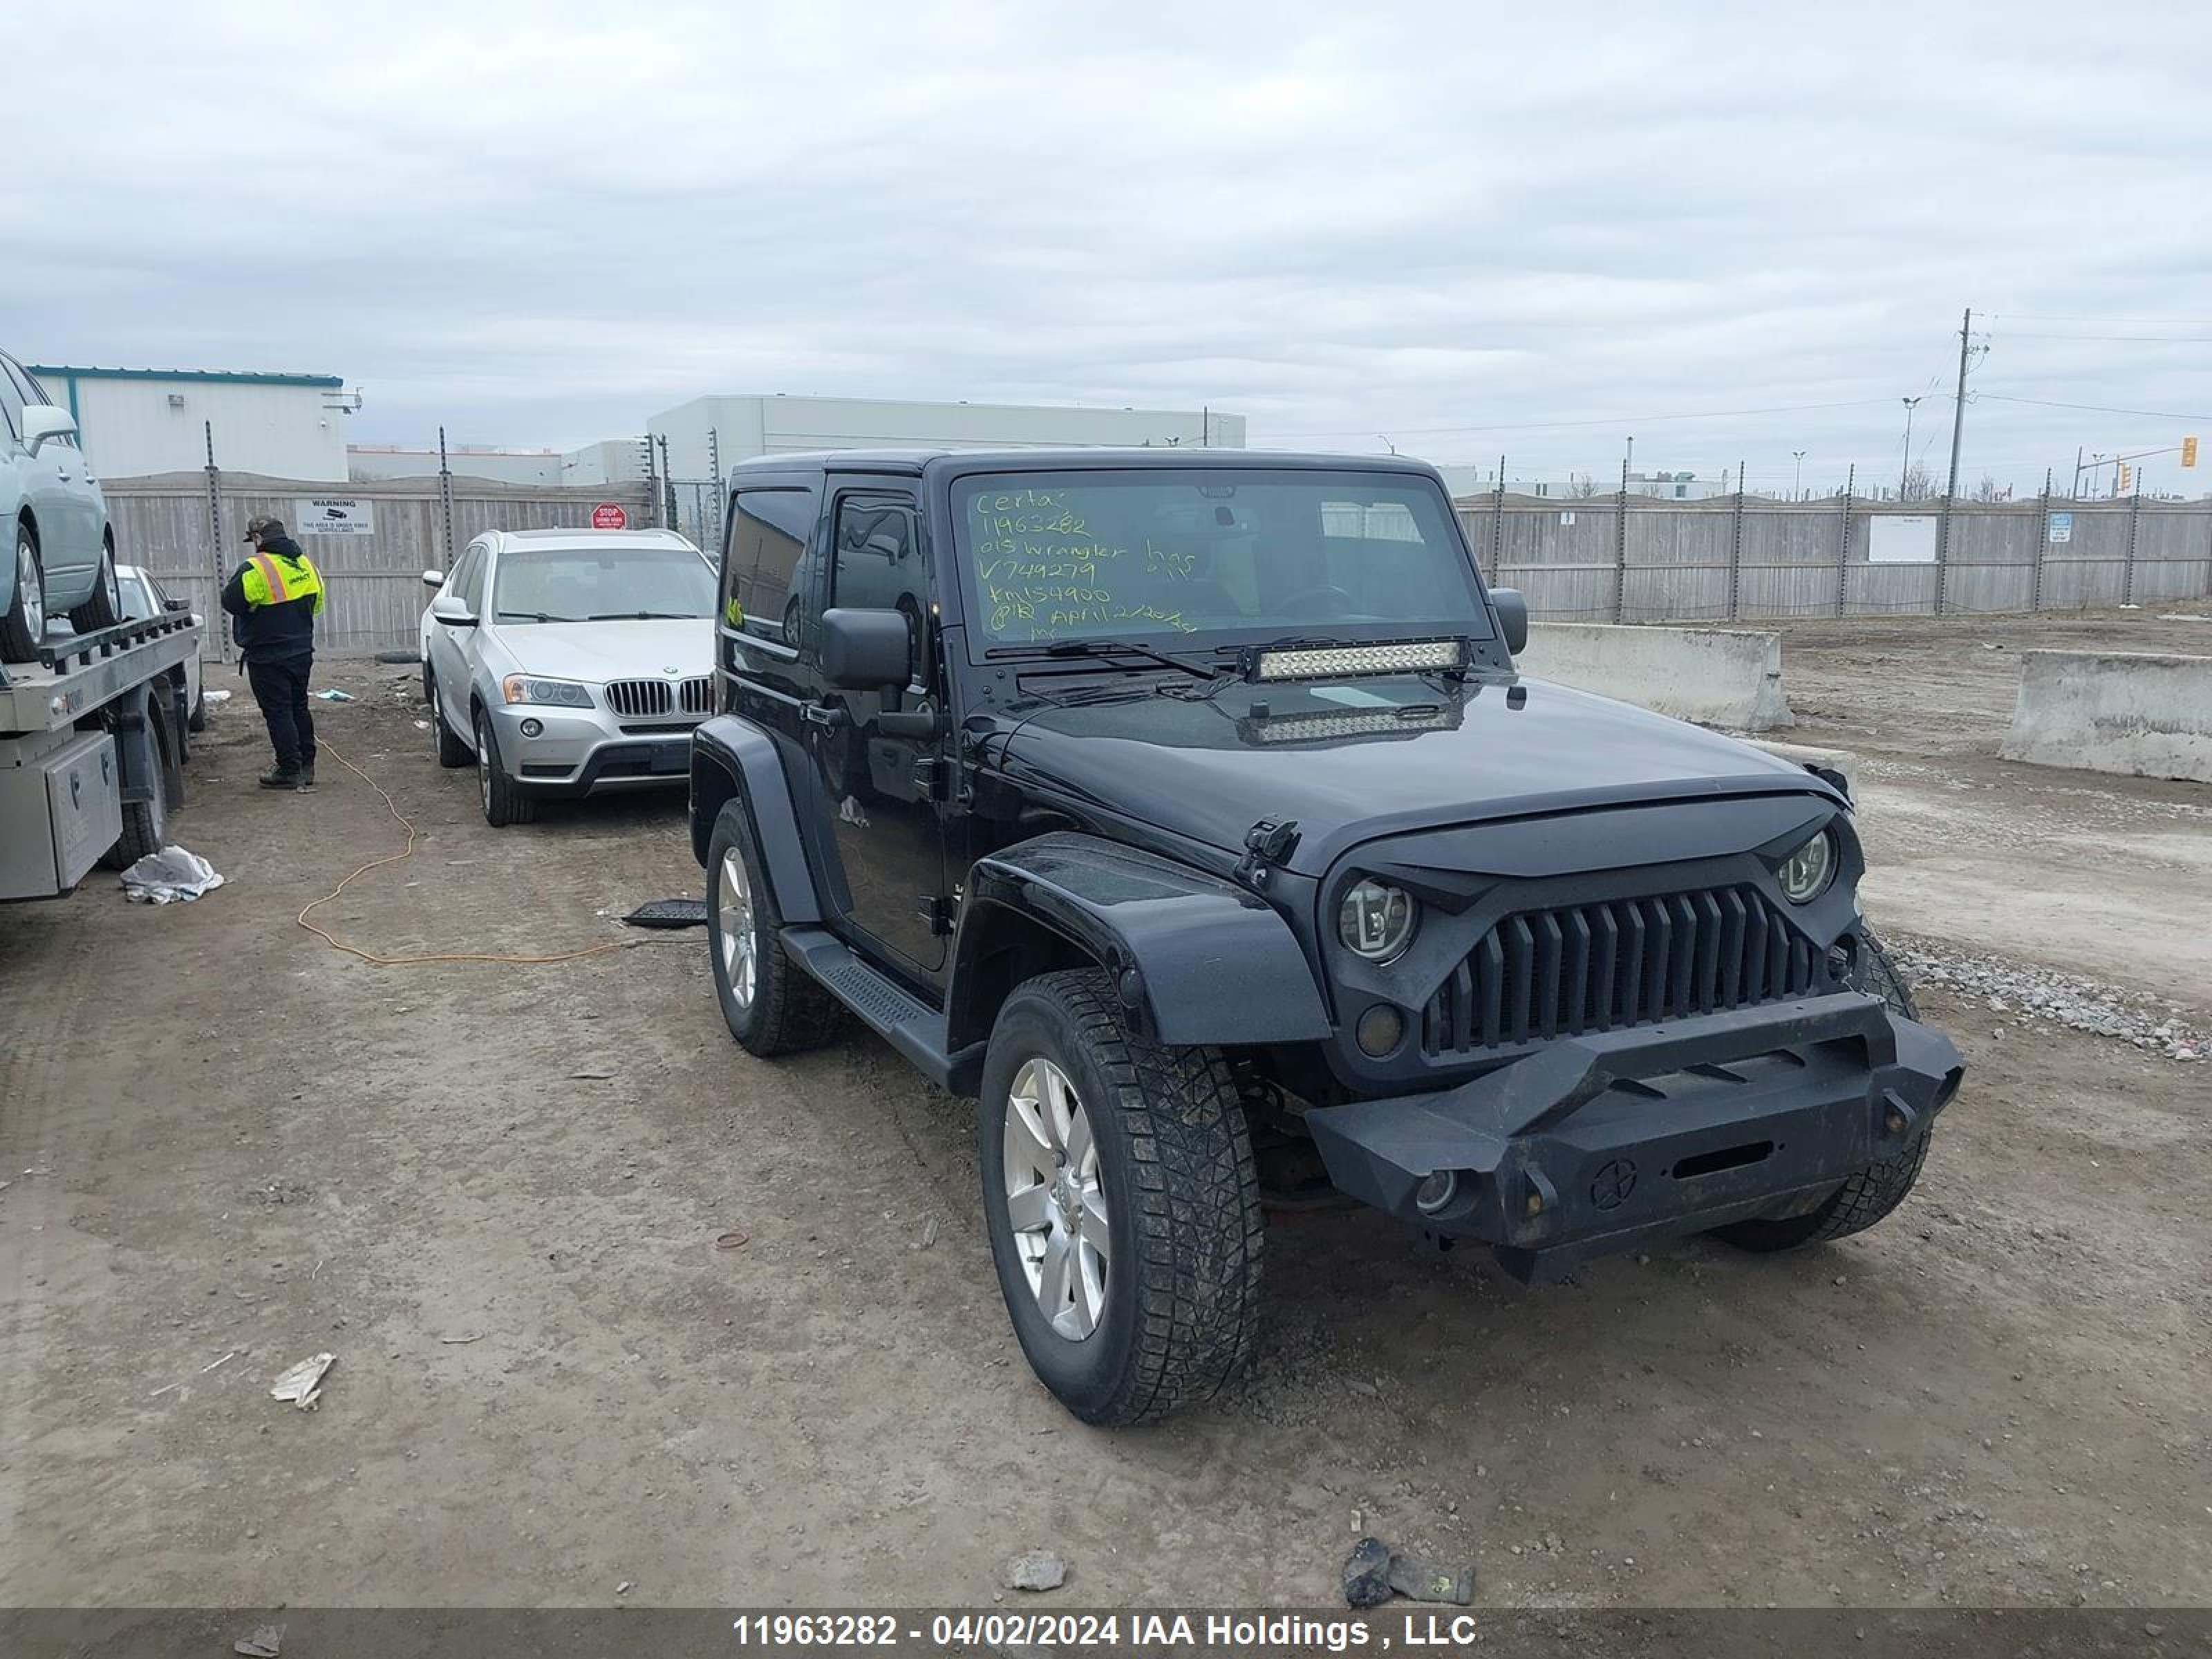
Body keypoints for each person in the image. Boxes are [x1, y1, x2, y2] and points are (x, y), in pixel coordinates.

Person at [221, 515, 326, 789]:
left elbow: (230, 602)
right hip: (302, 650)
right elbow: (316, 606)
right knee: (299, 706)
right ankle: (306, 764)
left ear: (258, 538)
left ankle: (289, 768)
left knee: (278, 712)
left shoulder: (256, 568)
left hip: (268, 655)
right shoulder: (306, 565)